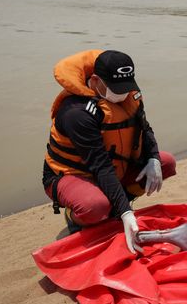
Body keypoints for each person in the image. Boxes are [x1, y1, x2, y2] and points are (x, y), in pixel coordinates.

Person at [42, 49, 176, 254]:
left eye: (126, 87)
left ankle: (117, 201)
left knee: (166, 162)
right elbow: (100, 165)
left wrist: (153, 158)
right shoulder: (76, 113)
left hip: (115, 168)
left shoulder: (130, 96)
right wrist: (126, 213)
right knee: (94, 206)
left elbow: (145, 129)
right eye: (116, 88)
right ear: (95, 81)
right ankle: (75, 216)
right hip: (74, 174)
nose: (122, 93)